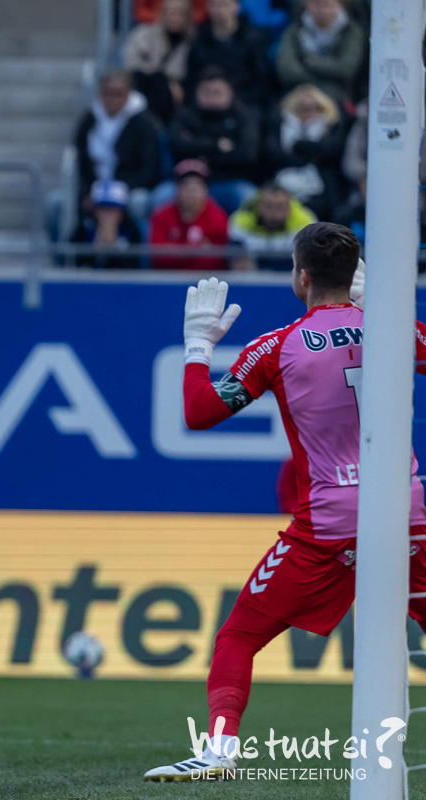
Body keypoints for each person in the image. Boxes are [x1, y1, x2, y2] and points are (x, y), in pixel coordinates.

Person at [144, 225, 426, 780]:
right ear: (355, 274)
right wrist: (378, 312)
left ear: (301, 277)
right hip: (408, 511)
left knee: (239, 636)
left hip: (329, 523)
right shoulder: (397, 332)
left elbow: (200, 412)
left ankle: (220, 749)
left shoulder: (275, 347)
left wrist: (198, 345)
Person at [73, 69, 162, 225]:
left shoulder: (143, 122)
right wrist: (88, 191)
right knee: (57, 204)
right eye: (107, 93)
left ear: (128, 95)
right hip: (95, 186)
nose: (111, 99)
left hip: (129, 188)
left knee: (139, 202)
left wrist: (117, 190)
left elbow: (149, 170)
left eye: (117, 94)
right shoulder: (89, 120)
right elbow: (82, 162)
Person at [166, 66, 260, 214]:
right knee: (161, 197)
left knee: (248, 196)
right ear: (196, 93)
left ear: (230, 92)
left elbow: (247, 155)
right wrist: (216, 145)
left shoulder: (244, 117)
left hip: (229, 182)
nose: (212, 98)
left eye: (217, 92)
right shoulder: (184, 116)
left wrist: (201, 152)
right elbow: (177, 146)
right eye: (206, 92)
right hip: (185, 183)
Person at [263, 83, 346, 222]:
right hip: (283, 187)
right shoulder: (279, 126)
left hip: (322, 191)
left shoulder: (332, 126)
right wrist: (310, 154)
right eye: (303, 108)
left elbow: (330, 151)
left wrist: (299, 145)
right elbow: (274, 155)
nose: (309, 113)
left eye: (316, 108)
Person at [183, 0, 272, 111]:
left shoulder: (255, 39)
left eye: (224, 4)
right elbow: (191, 79)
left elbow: (261, 80)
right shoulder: (198, 39)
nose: (220, 10)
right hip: (204, 104)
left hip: (245, 103)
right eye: (215, 5)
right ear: (208, 8)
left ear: (236, 7)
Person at [275, 0, 365, 105]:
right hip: (298, 97)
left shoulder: (351, 31)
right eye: (316, 3)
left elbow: (346, 69)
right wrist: (324, 77)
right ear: (306, 4)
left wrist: (308, 62)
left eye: (327, 4)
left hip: (339, 100)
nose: (321, 8)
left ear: (339, 4)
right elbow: (287, 70)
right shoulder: (293, 31)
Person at [148, 158, 230, 270]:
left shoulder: (218, 217)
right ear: (177, 189)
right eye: (186, 186)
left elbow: (217, 260)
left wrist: (175, 250)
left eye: (197, 187)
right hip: (169, 277)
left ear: (205, 190)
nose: (191, 192)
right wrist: (196, 249)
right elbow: (158, 257)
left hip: (206, 277)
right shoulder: (161, 215)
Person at [122, 0, 195, 123]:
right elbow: (131, 65)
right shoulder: (143, 34)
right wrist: (167, 80)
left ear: (187, 16)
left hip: (175, 97)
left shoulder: (191, 42)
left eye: (178, 13)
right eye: (169, 12)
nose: (173, 17)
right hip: (143, 87)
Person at [227, 182, 315, 270]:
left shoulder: (305, 223)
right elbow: (237, 260)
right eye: (268, 206)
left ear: (289, 206)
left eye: (280, 207)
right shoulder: (240, 222)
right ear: (258, 205)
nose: (274, 213)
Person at [68, 179, 143, 269]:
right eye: (103, 209)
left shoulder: (131, 230)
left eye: (112, 209)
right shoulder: (85, 228)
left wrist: (114, 247)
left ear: (121, 213)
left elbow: (132, 266)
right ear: (95, 211)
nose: (107, 214)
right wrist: (95, 248)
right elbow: (72, 260)